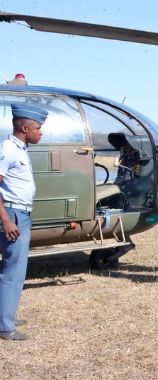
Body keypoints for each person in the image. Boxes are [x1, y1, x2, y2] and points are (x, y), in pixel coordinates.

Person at [0, 104, 47, 341]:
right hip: (12, 214)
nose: (41, 132)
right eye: (38, 128)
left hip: (20, 214)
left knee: (14, 270)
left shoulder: (20, 149)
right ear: (25, 127)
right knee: (12, 272)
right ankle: (5, 327)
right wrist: (6, 219)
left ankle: (4, 315)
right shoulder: (8, 149)